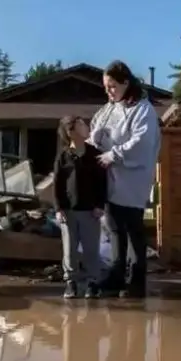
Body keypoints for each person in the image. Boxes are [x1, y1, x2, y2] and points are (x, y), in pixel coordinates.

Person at [89, 60, 161, 299]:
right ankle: (116, 275)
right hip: (110, 178)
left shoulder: (143, 109)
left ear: (125, 82)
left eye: (112, 86)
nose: (108, 90)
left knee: (132, 231)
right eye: (106, 86)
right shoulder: (109, 107)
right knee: (114, 229)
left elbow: (141, 142)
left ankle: (136, 280)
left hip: (132, 179)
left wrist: (114, 154)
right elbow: (96, 129)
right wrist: (94, 139)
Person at [53, 115, 108, 299]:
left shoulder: (94, 154)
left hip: (90, 211)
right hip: (68, 211)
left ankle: (93, 283)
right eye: (81, 125)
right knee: (70, 250)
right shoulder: (63, 156)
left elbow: (102, 183)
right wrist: (59, 208)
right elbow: (57, 184)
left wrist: (100, 205)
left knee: (91, 249)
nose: (86, 127)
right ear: (71, 132)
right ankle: (71, 282)